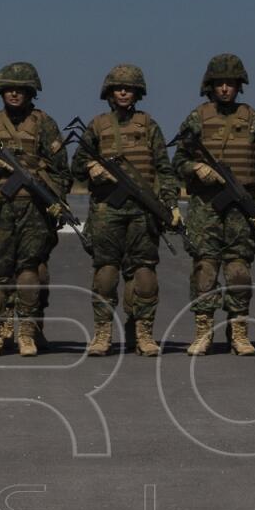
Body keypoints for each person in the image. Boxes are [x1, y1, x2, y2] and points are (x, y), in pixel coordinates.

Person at [70, 64, 180, 357]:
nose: (122, 91)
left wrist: (170, 204)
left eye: (128, 88)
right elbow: (76, 166)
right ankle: (102, 333)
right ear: (109, 92)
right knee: (105, 273)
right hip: (107, 211)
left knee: (144, 274)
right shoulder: (96, 126)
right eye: (118, 87)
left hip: (143, 211)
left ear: (137, 93)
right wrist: (90, 168)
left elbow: (164, 169)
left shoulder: (149, 126)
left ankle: (143, 332)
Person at [0, 62, 70, 357]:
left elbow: (62, 170)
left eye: (20, 89)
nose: (14, 94)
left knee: (28, 273)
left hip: (33, 210)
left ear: (30, 92)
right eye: (9, 89)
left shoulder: (44, 124)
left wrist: (56, 201)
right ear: (1, 91)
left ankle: (27, 333)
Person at [172, 54, 255, 356]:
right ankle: (203, 331)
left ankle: (239, 331)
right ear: (210, 86)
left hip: (242, 208)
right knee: (205, 269)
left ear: (239, 86)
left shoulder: (254, 119)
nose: (226, 89)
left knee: (239, 270)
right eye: (220, 84)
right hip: (206, 207)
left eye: (231, 83)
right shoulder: (197, 118)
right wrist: (196, 169)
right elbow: (177, 161)